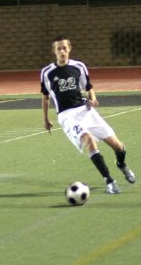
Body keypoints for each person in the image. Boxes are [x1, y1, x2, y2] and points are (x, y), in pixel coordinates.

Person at [40, 36, 135, 194]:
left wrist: (93, 98)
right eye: (59, 49)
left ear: (70, 48)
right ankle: (110, 181)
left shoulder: (79, 66)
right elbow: (45, 96)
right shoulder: (47, 72)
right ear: (54, 51)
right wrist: (46, 119)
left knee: (119, 147)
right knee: (89, 140)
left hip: (85, 111)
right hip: (67, 116)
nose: (62, 51)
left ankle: (122, 165)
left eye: (64, 48)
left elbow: (88, 86)